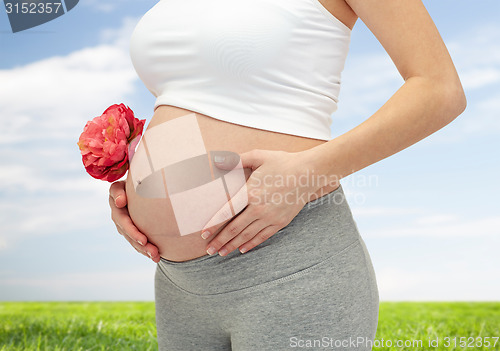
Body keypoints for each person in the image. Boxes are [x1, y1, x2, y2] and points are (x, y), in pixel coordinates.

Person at [109, 0, 466, 349]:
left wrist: (310, 171)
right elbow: (201, 96)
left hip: (288, 265)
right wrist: (140, 182)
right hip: (178, 283)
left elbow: (439, 88)